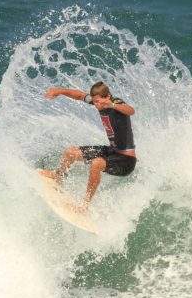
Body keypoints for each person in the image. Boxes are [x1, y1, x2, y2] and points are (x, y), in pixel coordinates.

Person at [39, 81, 137, 212]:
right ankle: (58, 175)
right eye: (95, 101)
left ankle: (84, 206)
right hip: (111, 151)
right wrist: (59, 91)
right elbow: (79, 95)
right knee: (70, 152)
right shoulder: (99, 102)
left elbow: (131, 111)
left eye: (99, 101)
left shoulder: (116, 103)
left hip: (126, 160)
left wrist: (112, 105)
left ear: (108, 96)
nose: (96, 105)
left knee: (96, 164)